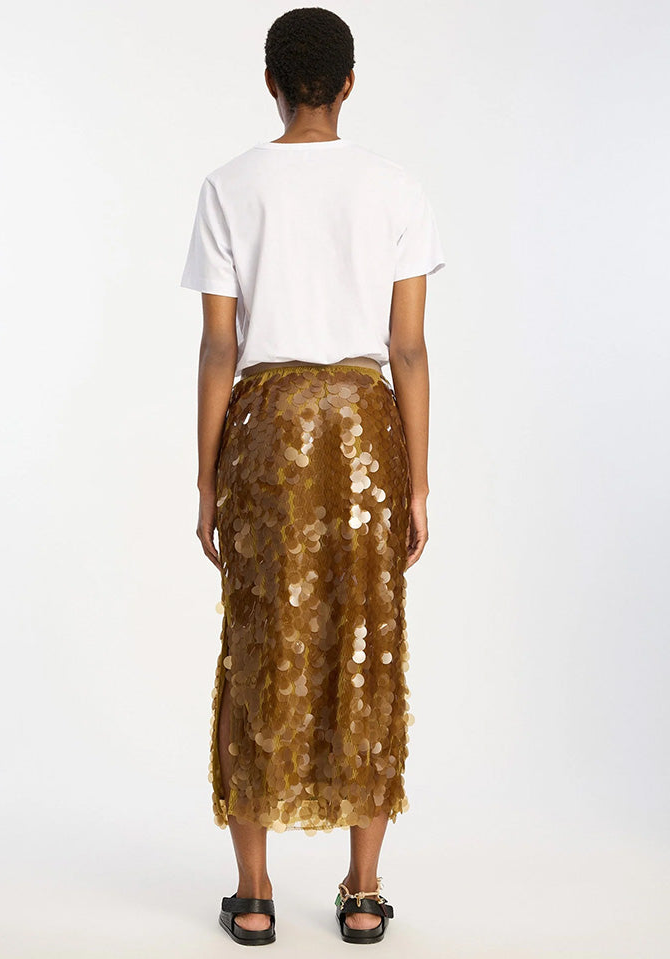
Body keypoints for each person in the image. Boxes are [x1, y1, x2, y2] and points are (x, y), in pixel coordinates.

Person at [180, 7, 445, 946]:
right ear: (347, 84)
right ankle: (362, 892)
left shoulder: (229, 185)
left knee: (260, 637)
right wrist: (417, 484)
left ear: (271, 84)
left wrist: (205, 479)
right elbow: (406, 349)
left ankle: (253, 893)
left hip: (264, 433)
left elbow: (220, 347)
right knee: (364, 639)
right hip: (367, 433)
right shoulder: (396, 186)